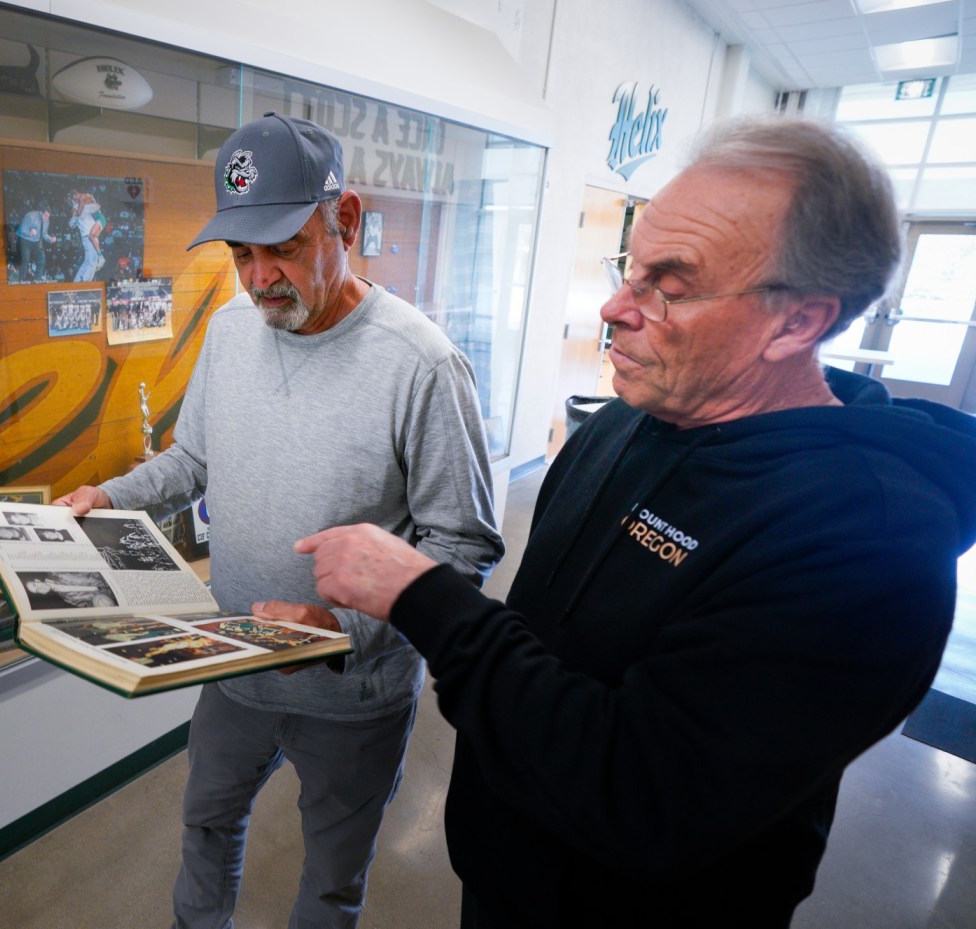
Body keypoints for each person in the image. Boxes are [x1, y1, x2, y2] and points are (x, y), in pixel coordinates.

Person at [295, 115, 976, 928]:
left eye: (671, 285)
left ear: (798, 322)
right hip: (508, 875)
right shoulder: (629, 418)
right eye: (632, 266)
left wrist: (426, 598)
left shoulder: (868, 544)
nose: (615, 306)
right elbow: (546, 648)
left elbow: (641, 796)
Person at [56, 111, 504, 929]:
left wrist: (336, 628)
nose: (260, 278)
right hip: (233, 663)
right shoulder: (230, 334)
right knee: (205, 823)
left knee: (330, 878)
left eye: (285, 247)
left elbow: (460, 546)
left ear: (347, 220)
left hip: (356, 693)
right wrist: (109, 497)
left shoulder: (423, 364)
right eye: (241, 254)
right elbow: (193, 460)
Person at [68, 189, 106, 281]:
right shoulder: (79, 208)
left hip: (87, 236)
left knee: (88, 261)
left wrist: (76, 211)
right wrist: (76, 211)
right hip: (88, 236)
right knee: (92, 261)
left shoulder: (82, 203)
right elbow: (72, 223)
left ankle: (77, 281)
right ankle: (85, 282)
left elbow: (96, 206)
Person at [16, 204, 56, 282]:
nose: (47, 218)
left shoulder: (46, 220)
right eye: (45, 216)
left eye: (48, 216)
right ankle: (22, 280)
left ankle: (37, 280)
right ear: (41, 213)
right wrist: (29, 233)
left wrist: (50, 239)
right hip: (26, 240)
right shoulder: (30, 216)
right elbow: (21, 231)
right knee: (25, 260)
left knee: (42, 260)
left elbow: (44, 234)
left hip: (37, 241)